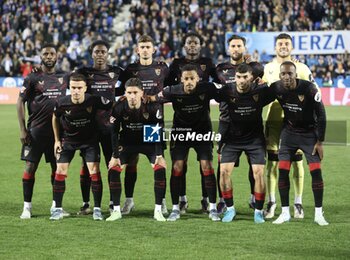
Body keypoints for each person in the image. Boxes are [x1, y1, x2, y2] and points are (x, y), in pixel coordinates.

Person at [153, 64, 220, 222]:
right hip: (180, 133)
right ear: (181, 80)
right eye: (186, 79)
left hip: (202, 133)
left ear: (198, 79)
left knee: (207, 166)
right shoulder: (172, 91)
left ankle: (212, 208)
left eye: (192, 78)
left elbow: (226, 91)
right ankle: (176, 208)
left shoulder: (207, 88)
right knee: (177, 167)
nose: (189, 82)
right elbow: (154, 99)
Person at [263, 33, 317, 219]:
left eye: (287, 43)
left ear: (291, 47)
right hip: (274, 122)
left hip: (298, 124)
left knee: (297, 162)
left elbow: (314, 93)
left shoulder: (301, 68)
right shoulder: (268, 68)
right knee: (272, 162)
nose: (283, 46)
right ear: (275, 47)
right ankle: (271, 202)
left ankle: (298, 203)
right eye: (280, 43)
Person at [271, 62, 328, 226]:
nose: (287, 77)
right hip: (288, 134)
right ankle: (284, 213)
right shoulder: (276, 88)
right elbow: (261, 98)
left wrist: (320, 141)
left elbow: (321, 115)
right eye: (283, 74)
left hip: (309, 135)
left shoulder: (310, 89)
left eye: (290, 73)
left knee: (316, 172)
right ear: (280, 75)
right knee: (282, 171)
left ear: (295, 74)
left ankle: (318, 214)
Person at [17, 43, 69, 219]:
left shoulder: (65, 76)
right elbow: (19, 102)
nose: (49, 56)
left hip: (58, 133)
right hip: (36, 132)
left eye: (52, 53)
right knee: (30, 167)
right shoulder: (32, 77)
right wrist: (23, 129)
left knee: (58, 169)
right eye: (45, 53)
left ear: (57, 56)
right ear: (41, 56)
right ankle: (27, 207)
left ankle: (56, 206)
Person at [50, 73, 113, 220]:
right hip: (69, 141)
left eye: (79, 88)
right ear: (69, 88)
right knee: (60, 170)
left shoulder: (94, 100)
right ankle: (57, 209)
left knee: (94, 171)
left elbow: (112, 105)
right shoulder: (62, 102)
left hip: (89, 141)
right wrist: (57, 140)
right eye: (73, 88)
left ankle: (97, 209)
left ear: (85, 88)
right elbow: (55, 117)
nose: (76, 91)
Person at [166, 32, 216, 214]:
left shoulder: (208, 63)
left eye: (196, 42)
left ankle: (206, 200)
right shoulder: (176, 64)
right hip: (181, 124)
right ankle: (181, 199)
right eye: (189, 43)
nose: (192, 45)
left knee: (205, 165)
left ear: (200, 45)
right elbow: (165, 86)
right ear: (184, 46)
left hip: (203, 123)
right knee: (180, 164)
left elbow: (221, 82)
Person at [218, 63, 274, 223]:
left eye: (245, 77)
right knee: (223, 173)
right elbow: (206, 94)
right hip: (232, 138)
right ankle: (230, 209)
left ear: (252, 78)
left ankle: (258, 210)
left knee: (258, 174)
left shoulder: (261, 91)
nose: (241, 80)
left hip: (255, 139)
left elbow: (281, 95)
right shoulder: (227, 90)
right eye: (238, 77)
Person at [120, 35, 169, 215]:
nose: (145, 49)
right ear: (137, 50)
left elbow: (170, 90)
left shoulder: (162, 68)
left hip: (153, 123)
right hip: (132, 122)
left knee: (158, 161)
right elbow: (121, 90)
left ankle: (162, 202)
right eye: (142, 47)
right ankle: (129, 201)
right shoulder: (130, 69)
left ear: (154, 49)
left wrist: (156, 98)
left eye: (148, 46)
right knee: (131, 161)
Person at [76, 40, 125, 215]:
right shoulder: (83, 72)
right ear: (92, 54)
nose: (100, 54)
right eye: (97, 51)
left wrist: (116, 96)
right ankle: (86, 203)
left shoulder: (116, 72)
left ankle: (113, 202)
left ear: (108, 53)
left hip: (109, 127)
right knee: (86, 165)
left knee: (111, 163)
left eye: (103, 51)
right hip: (89, 127)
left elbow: (128, 86)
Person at [107, 78, 167, 222]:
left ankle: (158, 210)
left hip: (148, 139)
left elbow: (158, 131)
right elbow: (114, 133)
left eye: (135, 92)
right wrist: (115, 156)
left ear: (142, 93)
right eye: (129, 92)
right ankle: (116, 211)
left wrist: (159, 154)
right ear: (125, 93)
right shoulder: (119, 107)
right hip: (127, 141)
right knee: (114, 170)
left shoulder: (152, 107)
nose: (132, 96)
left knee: (160, 168)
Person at [214, 34, 257, 213]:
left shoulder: (254, 68)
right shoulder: (219, 69)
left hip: (250, 121)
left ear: (244, 48)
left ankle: (255, 196)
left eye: (239, 46)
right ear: (228, 48)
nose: (236, 49)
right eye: (233, 46)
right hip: (226, 122)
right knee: (221, 161)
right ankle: (222, 199)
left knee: (253, 161)